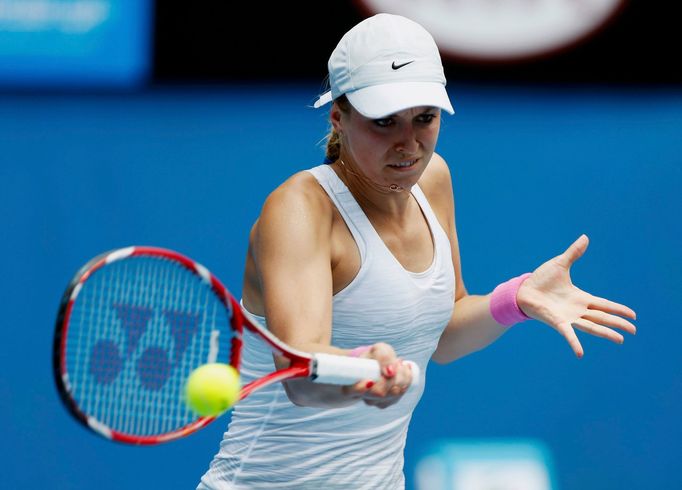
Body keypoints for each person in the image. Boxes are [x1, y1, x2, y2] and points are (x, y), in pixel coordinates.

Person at [197, 13, 636, 490]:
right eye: (384, 121)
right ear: (338, 119)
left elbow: (441, 335)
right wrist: (366, 369)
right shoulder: (300, 210)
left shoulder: (434, 179)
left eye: (424, 118)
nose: (409, 144)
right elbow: (302, 378)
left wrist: (516, 299)